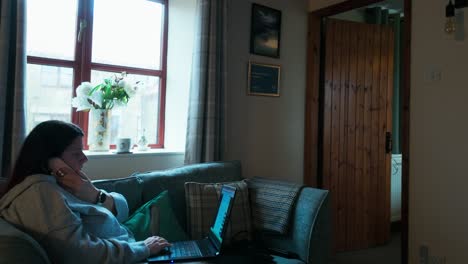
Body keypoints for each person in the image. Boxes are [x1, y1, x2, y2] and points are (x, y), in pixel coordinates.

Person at [0, 120, 170, 263]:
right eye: (76, 153)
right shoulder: (40, 194)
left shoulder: (65, 185)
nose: (85, 158)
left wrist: (94, 194)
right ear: (51, 161)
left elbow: (122, 210)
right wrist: (144, 248)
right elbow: (81, 253)